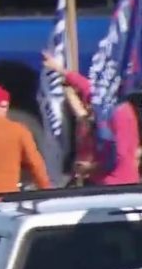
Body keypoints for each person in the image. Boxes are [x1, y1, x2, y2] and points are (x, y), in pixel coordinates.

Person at [41, 52, 141, 186]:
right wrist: (60, 70)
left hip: (117, 185)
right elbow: (86, 87)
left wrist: (90, 168)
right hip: (101, 181)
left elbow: (119, 157)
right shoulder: (105, 104)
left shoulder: (120, 113)